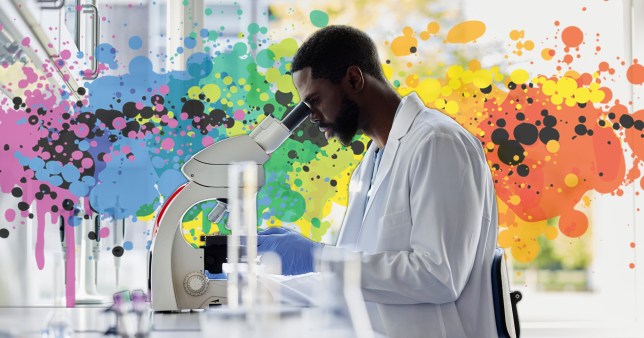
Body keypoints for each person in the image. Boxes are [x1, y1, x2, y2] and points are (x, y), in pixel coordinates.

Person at [257, 25, 499, 338]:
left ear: (354, 79)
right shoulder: (371, 162)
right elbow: (345, 281)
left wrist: (317, 255)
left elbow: (438, 276)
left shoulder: (437, 142)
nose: (312, 116)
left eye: (314, 100)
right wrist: (243, 286)